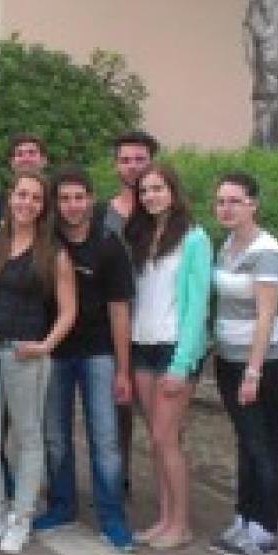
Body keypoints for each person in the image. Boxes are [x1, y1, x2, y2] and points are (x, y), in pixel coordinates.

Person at [0, 170, 76, 555]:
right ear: (11, 197)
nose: (27, 203)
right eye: (22, 195)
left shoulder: (53, 253)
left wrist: (44, 346)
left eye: (35, 198)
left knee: (27, 437)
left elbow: (69, 311)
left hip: (25, 354)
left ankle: (21, 519)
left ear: (43, 206)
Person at [33, 168, 136, 553]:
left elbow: (120, 311)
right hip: (55, 353)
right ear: (55, 204)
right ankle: (62, 505)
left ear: (92, 199)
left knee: (106, 438)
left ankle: (112, 516)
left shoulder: (110, 246)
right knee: (55, 435)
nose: (73, 205)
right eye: (65, 198)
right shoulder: (46, 244)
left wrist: (123, 368)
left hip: (98, 353)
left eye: (79, 197)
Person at [124, 163, 211, 550]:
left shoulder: (194, 238)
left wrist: (183, 362)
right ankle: (163, 517)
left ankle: (181, 524)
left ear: (173, 191)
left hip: (175, 348)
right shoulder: (142, 236)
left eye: (157, 188)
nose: (151, 196)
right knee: (156, 440)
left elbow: (196, 307)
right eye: (144, 191)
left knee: (167, 437)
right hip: (143, 346)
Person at [209, 172, 278, 555]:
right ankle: (244, 516)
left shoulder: (267, 250)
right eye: (221, 201)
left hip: (263, 363)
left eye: (235, 201)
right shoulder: (227, 246)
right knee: (246, 441)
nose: (226, 208)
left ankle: (264, 530)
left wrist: (253, 372)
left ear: (253, 205)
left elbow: (266, 314)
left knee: (263, 443)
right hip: (228, 358)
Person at [103, 129, 160, 492]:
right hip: (113, 323)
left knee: (161, 417)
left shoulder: (162, 212)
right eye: (126, 160)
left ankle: (166, 489)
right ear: (116, 165)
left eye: (140, 159)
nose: (133, 167)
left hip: (155, 324)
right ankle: (118, 477)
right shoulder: (102, 214)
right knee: (117, 407)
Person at [0, 133, 49, 235]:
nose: (26, 159)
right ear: (12, 162)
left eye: (31, 153)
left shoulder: (57, 202)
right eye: (20, 154)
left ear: (44, 161)